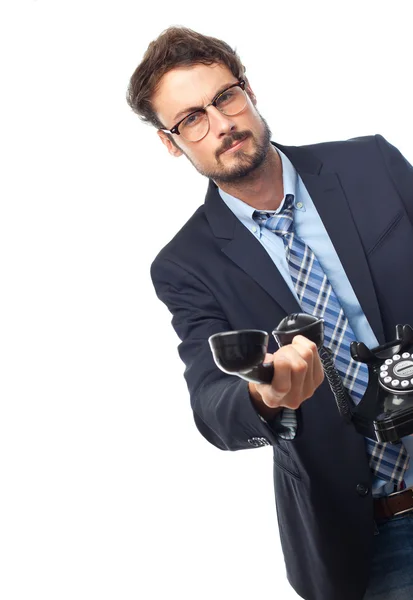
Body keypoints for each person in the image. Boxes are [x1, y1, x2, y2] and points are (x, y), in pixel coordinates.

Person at [126, 26, 413, 600]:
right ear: (170, 143)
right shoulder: (186, 266)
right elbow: (212, 405)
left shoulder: (371, 166)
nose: (221, 124)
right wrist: (266, 394)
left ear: (249, 91)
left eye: (225, 97)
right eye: (191, 120)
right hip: (373, 536)